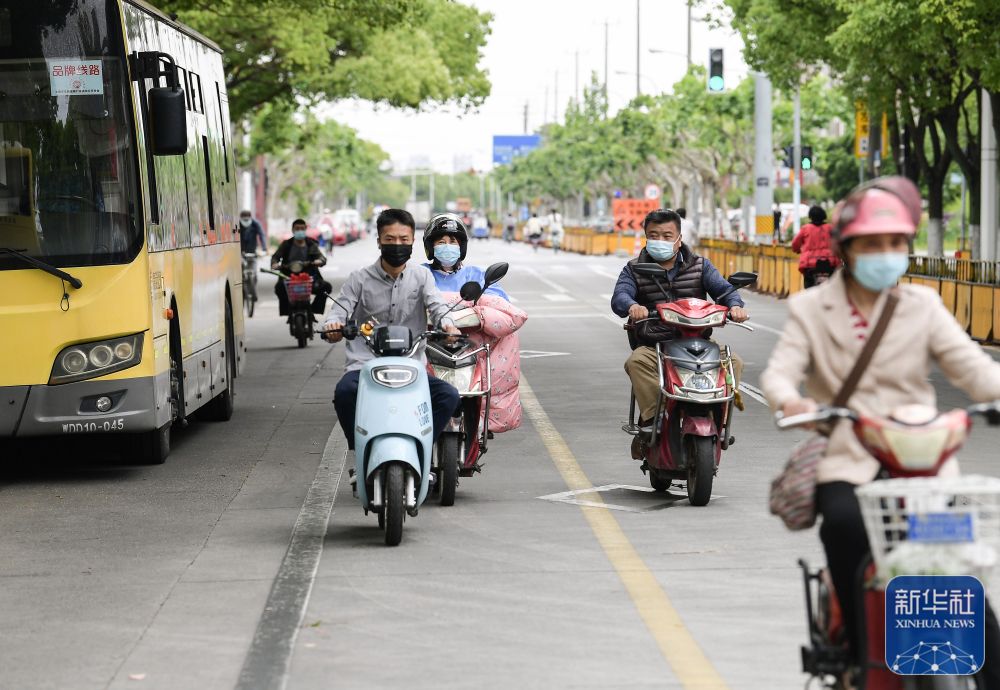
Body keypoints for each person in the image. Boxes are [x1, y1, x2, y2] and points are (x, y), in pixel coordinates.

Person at [761, 176, 1000, 682]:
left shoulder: (923, 306)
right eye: (873, 243)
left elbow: (974, 369)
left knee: (958, 560)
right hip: (849, 456)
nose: (886, 253)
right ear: (847, 248)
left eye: (895, 243)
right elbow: (780, 371)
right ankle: (861, 655)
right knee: (846, 528)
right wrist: (792, 399)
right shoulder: (810, 308)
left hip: (928, 459)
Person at [323, 208, 462, 451]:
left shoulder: (422, 277)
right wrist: (333, 326)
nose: (397, 244)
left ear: (412, 242)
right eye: (390, 239)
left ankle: (422, 447)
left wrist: (448, 325)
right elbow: (339, 310)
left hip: (411, 367)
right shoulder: (359, 279)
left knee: (449, 396)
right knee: (344, 393)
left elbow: (438, 307)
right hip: (365, 366)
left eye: (403, 239)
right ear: (379, 241)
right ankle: (360, 450)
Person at [611, 208, 749, 443]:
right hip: (656, 345)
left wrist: (735, 306)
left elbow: (725, 291)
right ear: (646, 237)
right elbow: (620, 297)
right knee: (635, 362)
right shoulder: (633, 269)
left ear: (679, 239)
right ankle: (655, 419)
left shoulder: (700, 265)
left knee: (733, 361)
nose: (660, 241)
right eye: (654, 235)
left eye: (667, 236)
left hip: (698, 341)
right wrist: (632, 306)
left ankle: (718, 417)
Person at [421, 214, 509, 299]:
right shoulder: (421, 274)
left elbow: (497, 299)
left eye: (452, 242)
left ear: (461, 247)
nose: (447, 246)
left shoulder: (477, 276)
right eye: (441, 242)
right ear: (431, 247)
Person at [271, 218, 331, 315]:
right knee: (279, 288)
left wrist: (319, 261)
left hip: (310, 278)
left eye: (302, 229)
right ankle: (288, 311)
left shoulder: (311, 244)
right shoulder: (286, 244)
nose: (300, 231)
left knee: (326, 287)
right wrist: (274, 264)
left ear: (305, 230)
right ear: (293, 230)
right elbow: (275, 257)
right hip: (289, 277)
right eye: (297, 228)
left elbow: (321, 257)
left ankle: (314, 310)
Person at [791, 205, 840, 288]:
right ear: (824, 216)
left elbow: (795, 244)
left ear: (810, 216)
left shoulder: (805, 229)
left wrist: (797, 250)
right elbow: (839, 241)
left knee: (809, 285)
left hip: (810, 264)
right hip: (830, 262)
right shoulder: (830, 228)